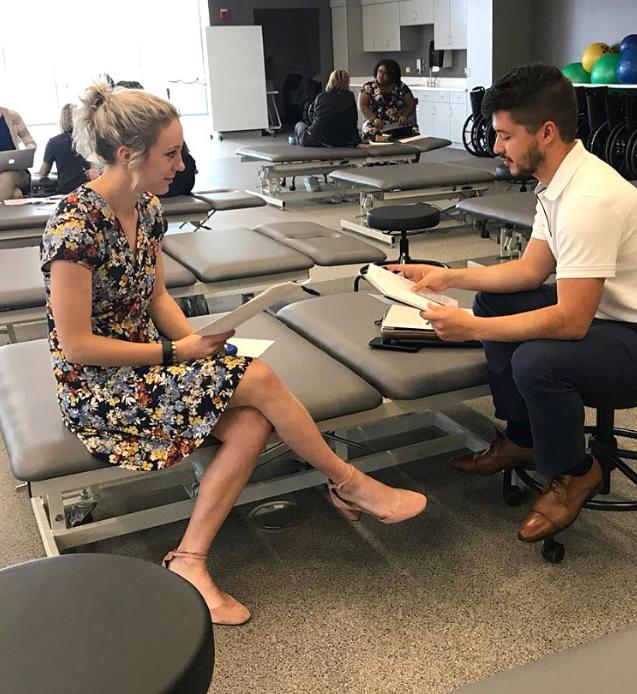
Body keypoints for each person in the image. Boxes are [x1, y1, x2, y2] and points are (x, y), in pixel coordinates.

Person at [41, 82, 426, 627]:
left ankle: (190, 560)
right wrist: (178, 352)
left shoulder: (146, 209)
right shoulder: (75, 226)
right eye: (170, 153)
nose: (181, 163)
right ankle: (349, 483)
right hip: (99, 388)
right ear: (128, 155)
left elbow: (156, 297)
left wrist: (207, 340)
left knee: (249, 423)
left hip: (148, 362)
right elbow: (76, 345)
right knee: (260, 377)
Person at [391, 64, 637, 544]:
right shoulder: (557, 184)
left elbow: (570, 322)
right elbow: (530, 272)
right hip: (609, 319)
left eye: (505, 136)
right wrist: (446, 275)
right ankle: (523, 438)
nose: (496, 147)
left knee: (538, 361)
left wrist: (470, 327)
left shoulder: (588, 200)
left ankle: (576, 471)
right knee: (499, 297)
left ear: (547, 132)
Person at [114, 80, 197, 196]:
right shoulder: (82, 211)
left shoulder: (148, 203)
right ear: (128, 156)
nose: (181, 166)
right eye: (171, 154)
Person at [293, 69, 361, 148]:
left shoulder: (321, 97)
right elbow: (352, 122)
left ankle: (299, 144)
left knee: (299, 125)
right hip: (338, 142)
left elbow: (316, 117)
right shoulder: (349, 97)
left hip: (314, 139)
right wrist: (357, 142)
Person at [39, 104, 98, 194]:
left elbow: (44, 172)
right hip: (86, 191)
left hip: (64, 192)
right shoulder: (88, 140)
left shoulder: (53, 142)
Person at [359, 59, 417, 141]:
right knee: (371, 133)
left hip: (397, 123)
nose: (381, 75)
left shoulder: (401, 87)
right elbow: (362, 105)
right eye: (380, 71)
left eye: (385, 73)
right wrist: (374, 119)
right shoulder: (369, 87)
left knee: (413, 132)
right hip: (376, 123)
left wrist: (405, 115)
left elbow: (411, 104)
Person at [0, 104, 36, 200]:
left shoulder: (12, 116)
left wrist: (26, 154)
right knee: (15, 194)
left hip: (17, 172)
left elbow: (30, 143)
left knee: (6, 179)